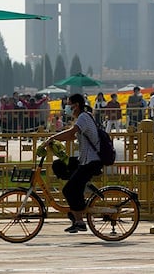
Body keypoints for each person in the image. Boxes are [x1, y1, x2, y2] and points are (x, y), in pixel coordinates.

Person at [46, 93, 103, 233]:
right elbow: (71, 136)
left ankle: (79, 221)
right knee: (59, 165)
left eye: (69, 104)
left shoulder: (83, 117)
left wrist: (52, 138)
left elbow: (72, 131)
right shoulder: (83, 117)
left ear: (76, 105)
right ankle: (80, 191)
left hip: (90, 162)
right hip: (84, 160)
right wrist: (57, 144)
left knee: (68, 190)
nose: (67, 107)